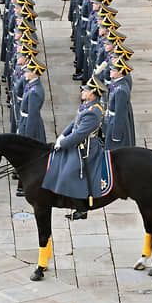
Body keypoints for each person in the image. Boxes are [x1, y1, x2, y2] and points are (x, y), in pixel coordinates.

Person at [42, 75, 106, 220]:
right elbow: (74, 122)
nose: (83, 92)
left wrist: (63, 143)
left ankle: (81, 209)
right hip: (78, 144)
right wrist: (62, 135)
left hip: (86, 148)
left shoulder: (93, 111)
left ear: (93, 94)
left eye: (86, 90)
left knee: (68, 173)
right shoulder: (87, 105)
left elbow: (79, 135)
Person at [105, 57, 135, 150]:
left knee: (115, 150)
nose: (110, 71)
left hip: (115, 123)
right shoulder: (118, 84)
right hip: (112, 120)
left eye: (114, 70)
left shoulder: (121, 90)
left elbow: (120, 114)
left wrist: (116, 135)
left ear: (120, 73)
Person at [18, 57, 47, 143]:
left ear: (33, 73)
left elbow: (32, 116)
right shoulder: (31, 85)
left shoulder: (34, 92)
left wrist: (28, 137)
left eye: (27, 72)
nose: (25, 73)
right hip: (24, 122)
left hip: (28, 125)